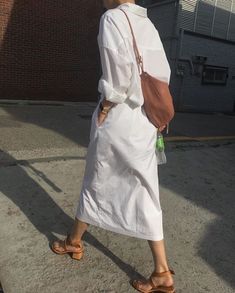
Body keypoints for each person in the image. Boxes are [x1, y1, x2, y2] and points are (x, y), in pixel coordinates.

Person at [51, 1, 175, 292]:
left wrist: (106, 106)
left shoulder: (111, 18)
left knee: (97, 179)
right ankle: (161, 271)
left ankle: (73, 242)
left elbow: (117, 76)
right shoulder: (149, 24)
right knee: (145, 190)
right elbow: (162, 74)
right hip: (145, 121)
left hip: (120, 116)